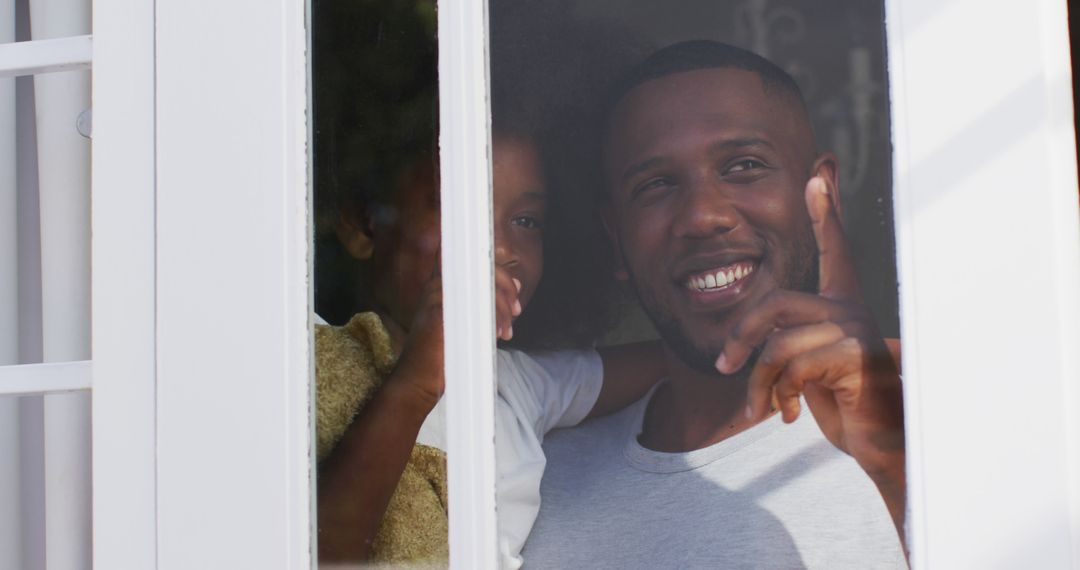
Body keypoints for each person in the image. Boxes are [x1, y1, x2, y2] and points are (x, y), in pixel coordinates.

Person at [522, 40, 908, 568]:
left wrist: (895, 467)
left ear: (823, 192)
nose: (703, 216)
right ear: (616, 239)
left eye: (744, 166)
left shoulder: (930, 436)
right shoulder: (534, 485)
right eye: (656, 185)